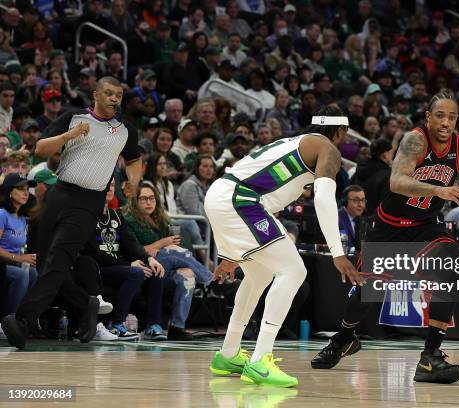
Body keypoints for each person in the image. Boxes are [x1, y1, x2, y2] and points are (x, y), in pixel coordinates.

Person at [311, 90, 459, 384]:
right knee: (364, 294)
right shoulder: (416, 140)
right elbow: (397, 181)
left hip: (426, 226)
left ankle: (430, 358)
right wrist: (439, 190)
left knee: (450, 269)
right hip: (390, 227)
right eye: (440, 115)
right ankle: (344, 339)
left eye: (452, 116)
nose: (446, 122)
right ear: (428, 117)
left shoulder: (457, 145)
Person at [206, 105, 362, 387]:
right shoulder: (328, 149)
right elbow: (324, 198)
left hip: (223, 194)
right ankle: (260, 360)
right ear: (341, 132)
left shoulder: (295, 142)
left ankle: (228, 353)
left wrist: (230, 254)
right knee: (293, 271)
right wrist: (338, 253)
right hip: (242, 201)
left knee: (259, 274)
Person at [1, 77, 141, 350]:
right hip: (59, 192)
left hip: (89, 200)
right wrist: (69, 136)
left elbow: (135, 160)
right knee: (44, 262)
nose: (115, 99)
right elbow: (41, 149)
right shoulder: (72, 117)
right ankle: (84, 304)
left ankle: (23, 321)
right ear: (96, 95)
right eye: (109, 93)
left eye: (119, 95)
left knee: (58, 259)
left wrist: (132, 181)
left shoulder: (125, 130)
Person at [124, 182, 214, 341]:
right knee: (172, 251)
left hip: (162, 270)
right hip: (141, 267)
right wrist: (160, 245)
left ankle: (177, 327)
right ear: (135, 202)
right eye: (143, 199)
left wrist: (161, 248)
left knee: (188, 275)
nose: (149, 202)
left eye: (152, 198)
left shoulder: (161, 220)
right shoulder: (128, 220)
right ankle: (212, 280)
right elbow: (131, 250)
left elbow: (165, 246)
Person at [83, 179, 166, 341]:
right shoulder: (86, 216)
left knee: (156, 271)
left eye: (112, 185)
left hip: (119, 267)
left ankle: (152, 325)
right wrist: (128, 264)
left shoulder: (116, 215)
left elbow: (131, 244)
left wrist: (149, 259)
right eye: (105, 185)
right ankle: (116, 323)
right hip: (97, 268)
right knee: (135, 273)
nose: (109, 189)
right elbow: (92, 252)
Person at [0, 174, 37, 315]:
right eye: (21, 189)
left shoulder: (21, 218)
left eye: (27, 189)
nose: (26, 192)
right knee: (21, 275)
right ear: (9, 191)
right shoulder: (2, 215)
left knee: (35, 273)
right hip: (2, 264)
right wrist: (19, 259)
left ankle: (27, 318)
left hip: (13, 262)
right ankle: (9, 320)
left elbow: (17, 249)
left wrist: (28, 258)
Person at [338, 185, 366, 252]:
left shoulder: (361, 220)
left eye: (363, 200)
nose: (361, 205)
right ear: (345, 201)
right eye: (356, 200)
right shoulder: (336, 219)